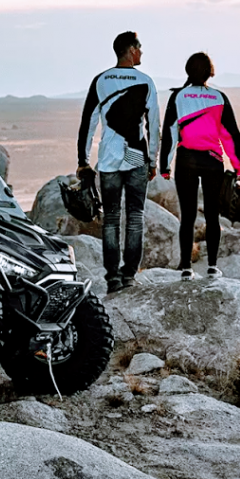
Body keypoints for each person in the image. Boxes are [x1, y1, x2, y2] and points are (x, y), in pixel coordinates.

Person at [77, 31, 160, 293]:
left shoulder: (101, 80)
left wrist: (83, 160)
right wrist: (153, 160)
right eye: (140, 47)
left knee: (111, 218)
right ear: (131, 50)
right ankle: (129, 276)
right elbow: (153, 125)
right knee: (135, 216)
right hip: (136, 157)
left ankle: (113, 277)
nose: (142, 52)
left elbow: (88, 122)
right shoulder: (146, 81)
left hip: (109, 159)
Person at [158, 52, 240, 280]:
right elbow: (230, 135)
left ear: (188, 70)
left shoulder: (178, 97)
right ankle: (212, 267)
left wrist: (165, 165)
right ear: (210, 72)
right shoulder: (219, 97)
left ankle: (186, 269)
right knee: (213, 216)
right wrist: (238, 165)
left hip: (186, 160)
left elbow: (170, 132)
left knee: (187, 216)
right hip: (212, 161)